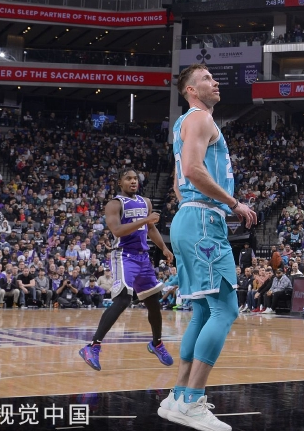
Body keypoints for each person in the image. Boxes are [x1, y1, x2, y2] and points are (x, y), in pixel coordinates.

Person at [158, 63, 258, 430]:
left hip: (187, 218)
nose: (215, 82)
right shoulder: (200, 118)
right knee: (225, 310)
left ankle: (178, 395)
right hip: (202, 221)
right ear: (191, 90)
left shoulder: (181, 124)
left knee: (202, 311)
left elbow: (177, 182)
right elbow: (191, 170)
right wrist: (233, 203)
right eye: (206, 79)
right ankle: (193, 401)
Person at [79, 168, 174, 371]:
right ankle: (92, 346)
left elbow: (151, 229)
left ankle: (156, 343)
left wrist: (164, 248)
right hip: (124, 255)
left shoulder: (145, 202)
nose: (133, 181)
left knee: (154, 302)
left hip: (143, 257)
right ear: (120, 183)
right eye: (128, 178)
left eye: (135, 178)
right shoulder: (115, 204)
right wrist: (146, 220)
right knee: (123, 299)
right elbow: (117, 231)